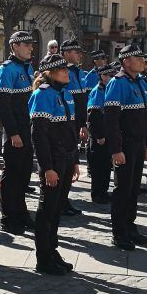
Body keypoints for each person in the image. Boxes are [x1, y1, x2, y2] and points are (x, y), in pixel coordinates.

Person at [29, 54, 79, 275]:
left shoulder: (66, 93)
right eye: (62, 70)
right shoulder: (43, 95)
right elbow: (39, 135)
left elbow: (70, 131)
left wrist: (75, 160)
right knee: (47, 209)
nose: (67, 73)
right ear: (50, 73)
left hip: (67, 158)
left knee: (57, 208)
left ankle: (53, 250)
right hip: (53, 161)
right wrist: (47, 167)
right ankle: (43, 257)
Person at [104, 44, 147, 250]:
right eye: (138, 58)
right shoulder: (118, 83)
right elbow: (111, 120)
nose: (142, 61)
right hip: (124, 145)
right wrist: (116, 149)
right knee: (122, 189)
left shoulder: (141, 82)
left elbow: (146, 116)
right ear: (126, 61)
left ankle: (130, 227)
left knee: (133, 189)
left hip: (138, 143)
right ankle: (119, 232)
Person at [0, 31, 37, 234]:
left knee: (23, 175)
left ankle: (21, 212)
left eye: (31, 44)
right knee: (11, 176)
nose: (30, 47)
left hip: (26, 129)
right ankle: (8, 217)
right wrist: (12, 133)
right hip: (15, 132)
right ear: (15, 46)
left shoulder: (27, 67)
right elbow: (3, 105)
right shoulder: (7, 70)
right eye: (26, 44)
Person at [61, 38, 89, 217]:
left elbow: (81, 102)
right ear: (65, 54)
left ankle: (64, 199)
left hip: (76, 122)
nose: (79, 55)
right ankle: (60, 201)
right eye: (75, 52)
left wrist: (83, 124)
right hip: (66, 123)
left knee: (71, 161)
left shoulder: (79, 73)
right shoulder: (63, 72)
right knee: (64, 163)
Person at [86, 63, 116, 204]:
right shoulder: (97, 91)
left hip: (108, 134)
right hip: (100, 137)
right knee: (98, 167)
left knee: (106, 166)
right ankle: (97, 194)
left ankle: (103, 191)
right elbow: (93, 117)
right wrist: (99, 136)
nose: (111, 77)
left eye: (112, 75)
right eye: (108, 75)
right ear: (102, 76)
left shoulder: (109, 90)